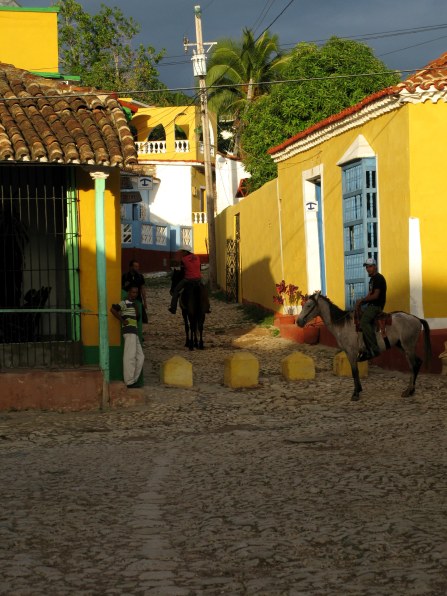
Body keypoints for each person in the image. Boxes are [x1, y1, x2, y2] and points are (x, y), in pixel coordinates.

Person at [110, 286, 144, 388]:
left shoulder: (134, 304)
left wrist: (136, 307)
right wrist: (122, 321)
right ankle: (129, 382)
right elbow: (112, 309)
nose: (135, 294)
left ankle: (133, 380)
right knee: (130, 357)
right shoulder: (123, 303)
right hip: (129, 331)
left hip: (134, 332)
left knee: (140, 357)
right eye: (133, 292)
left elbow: (137, 318)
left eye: (136, 293)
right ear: (129, 292)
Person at [355, 257, 387, 361]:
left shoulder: (378, 278)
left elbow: (376, 296)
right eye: (367, 267)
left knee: (364, 322)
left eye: (370, 266)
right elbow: (370, 294)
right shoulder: (372, 280)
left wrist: (362, 300)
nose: (368, 269)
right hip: (371, 306)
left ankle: (374, 348)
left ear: (375, 267)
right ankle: (364, 347)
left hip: (376, 306)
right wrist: (360, 302)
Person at [168, 246, 211, 314]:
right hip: (198, 279)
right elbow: (199, 268)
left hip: (188, 279)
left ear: (185, 252)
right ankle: (207, 307)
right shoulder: (197, 257)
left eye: (182, 252)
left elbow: (182, 272)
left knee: (176, 290)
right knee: (204, 291)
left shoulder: (183, 259)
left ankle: (173, 308)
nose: (182, 253)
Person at [121, 260, 148, 324]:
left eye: (138, 266)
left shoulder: (140, 277)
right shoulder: (125, 276)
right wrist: (125, 286)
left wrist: (145, 302)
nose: (137, 268)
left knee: (139, 316)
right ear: (130, 267)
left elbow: (142, 289)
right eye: (135, 266)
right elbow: (121, 288)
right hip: (127, 300)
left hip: (138, 300)